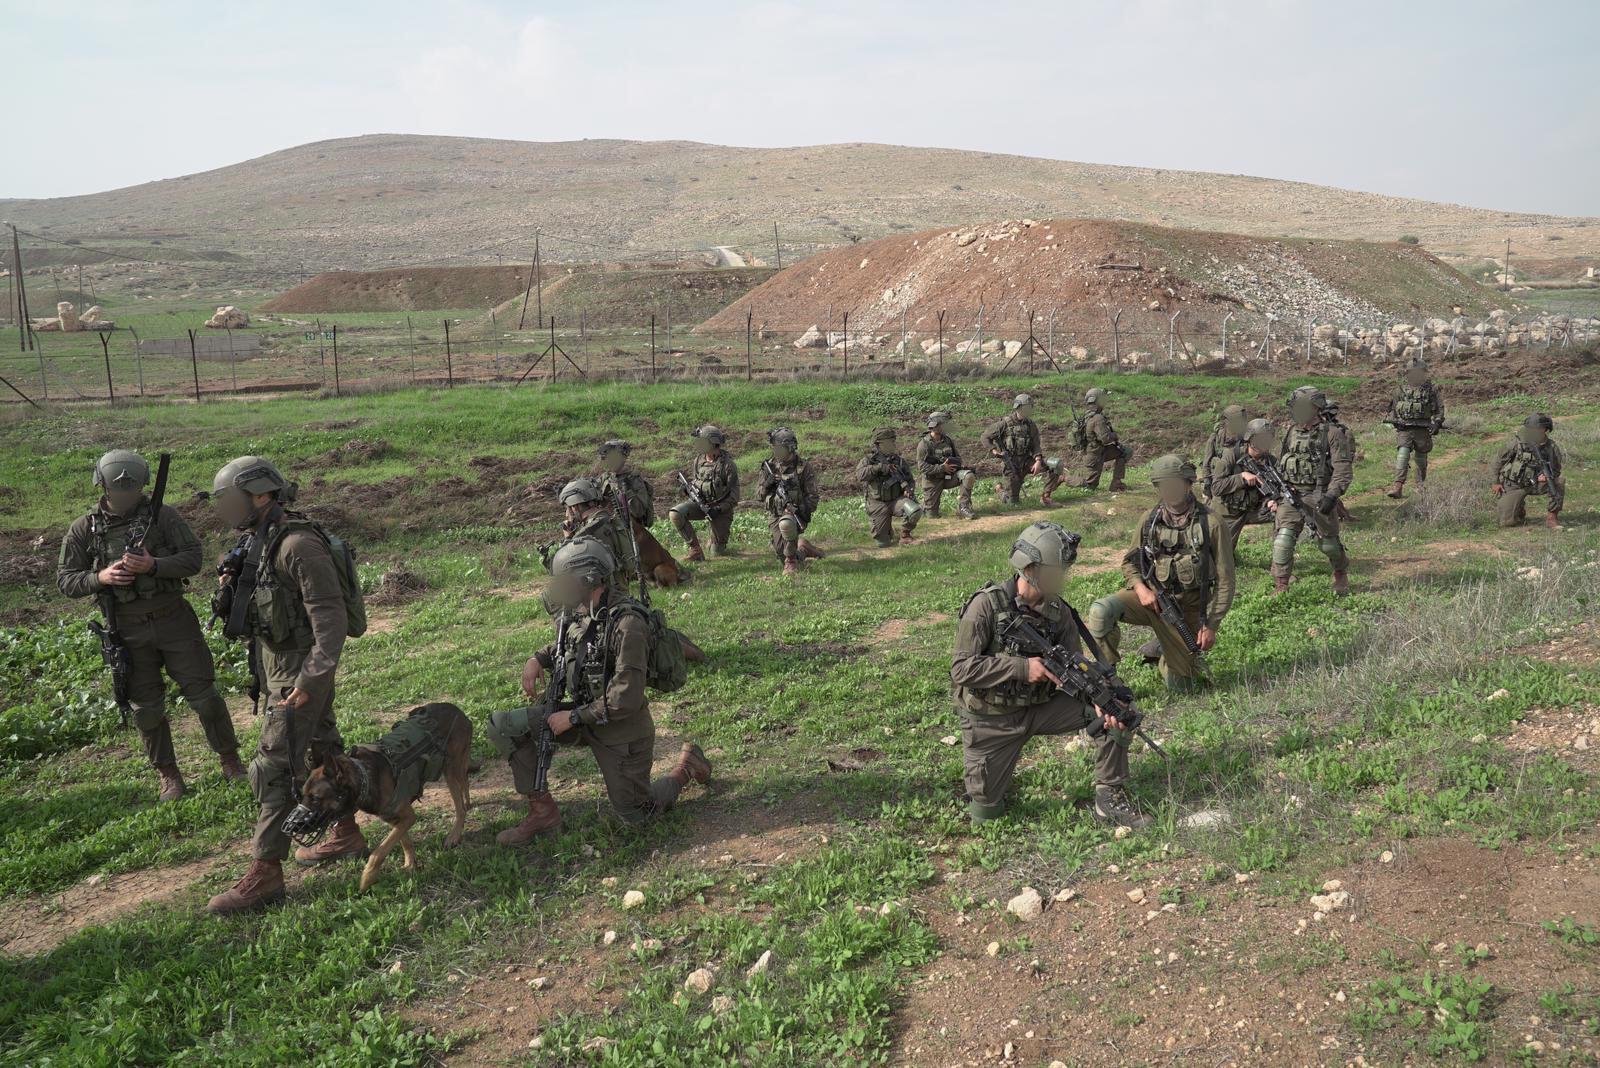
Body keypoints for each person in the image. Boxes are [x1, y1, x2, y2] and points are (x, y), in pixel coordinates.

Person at [207, 457, 360, 915]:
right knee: (323, 749)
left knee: (272, 765)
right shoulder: (260, 540)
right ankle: (347, 832)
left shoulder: (297, 545)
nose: (225, 511)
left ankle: (266, 873)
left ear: (261, 495)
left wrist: (310, 680)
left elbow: (329, 622)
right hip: (279, 664)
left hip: (302, 670)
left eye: (231, 500)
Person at [489, 538, 711, 843]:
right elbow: (572, 643)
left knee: (637, 815)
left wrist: (574, 718)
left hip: (621, 731)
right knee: (503, 725)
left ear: (589, 578)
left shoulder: (629, 624)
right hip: (583, 713)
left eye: (564, 580)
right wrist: (538, 658)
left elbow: (626, 696)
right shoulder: (582, 609)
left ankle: (686, 768)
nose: (558, 587)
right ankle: (543, 814)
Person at [57, 450, 243, 802]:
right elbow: (66, 581)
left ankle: (230, 759)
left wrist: (154, 565)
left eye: (131, 490)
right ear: (103, 485)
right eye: (117, 490)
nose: (125, 497)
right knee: (147, 708)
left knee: (205, 698)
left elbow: (193, 558)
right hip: (125, 629)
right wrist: (101, 576)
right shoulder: (85, 528)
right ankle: (169, 775)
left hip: (173, 619)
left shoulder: (164, 517)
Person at [951, 521, 1149, 828]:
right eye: (1055, 569)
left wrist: (1097, 697)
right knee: (987, 813)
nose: (1061, 577)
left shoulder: (1059, 611)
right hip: (994, 719)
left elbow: (1075, 662)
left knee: (1118, 712)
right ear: (1029, 568)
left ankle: (1108, 798)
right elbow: (962, 668)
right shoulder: (986, 606)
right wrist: (1022, 668)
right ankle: (995, 781)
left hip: (1042, 709)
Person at [1085, 455, 1234, 692]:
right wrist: (1141, 589)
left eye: (1175, 483)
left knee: (1183, 689)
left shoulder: (1211, 523)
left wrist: (1212, 625)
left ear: (1187, 484)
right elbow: (1129, 562)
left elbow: (1226, 581)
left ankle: (1164, 650)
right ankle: (1107, 678)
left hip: (1187, 611)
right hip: (1152, 602)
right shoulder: (1150, 520)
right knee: (1100, 612)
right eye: (1163, 485)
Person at [1271, 386, 1353, 596]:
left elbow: (1343, 469)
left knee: (1329, 546)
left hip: (1319, 495)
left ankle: (1340, 573)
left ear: (1315, 408)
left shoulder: (1333, 434)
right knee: (1283, 540)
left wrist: (1332, 495)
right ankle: (1281, 585)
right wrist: (1276, 494)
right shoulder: (1291, 431)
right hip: (1291, 495)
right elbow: (1282, 463)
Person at [1206, 417, 1279, 561]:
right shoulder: (1231, 455)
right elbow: (1216, 488)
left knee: (1284, 513)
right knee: (1216, 559)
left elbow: (1277, 487)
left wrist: (1273, 501)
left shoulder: (1271, 462)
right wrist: (1241, 478)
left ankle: (1279, 565)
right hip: (1228, 512)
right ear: (1250, 438)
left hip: (1253, 510)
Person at [756, 427, 823, 576]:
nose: (776, 452)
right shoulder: (769, 467)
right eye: (774, 448)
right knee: (782, 552)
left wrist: (797, 510)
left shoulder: (803, 467)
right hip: (775, 514)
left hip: (795, 515)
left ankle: (791, 563)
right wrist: (767, 483)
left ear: (790, 448)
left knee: (787, 526)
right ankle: (804, 550)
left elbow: (813, 497)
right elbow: (759, 495)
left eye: (779, 449)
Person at [550, 477, 637, 589]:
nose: (567, 514)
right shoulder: (609, 519)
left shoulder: (588, 531)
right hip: (620, 588)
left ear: (575, 507)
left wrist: (568, 539)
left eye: (567, 509)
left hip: (601, 595)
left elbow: (565, 567)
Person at [669, 425, 740, 561]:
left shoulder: (728, 465)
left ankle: (715, 542)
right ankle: (695, 550)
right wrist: (688, 491)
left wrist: (718, 509)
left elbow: (734, 496)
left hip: (720, 511)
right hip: (700, 506)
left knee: (717, 553)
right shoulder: (698, 461)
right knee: (675, 513)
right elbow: (698, 482)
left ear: (712, 443)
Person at [981, 393, 1062, 505]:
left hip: (1027, 461)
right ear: (1018, 408)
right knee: (1012, 502)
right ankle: (999, 489)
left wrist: (1038, 461)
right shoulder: (1003, 424)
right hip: (1011, 464)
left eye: (1030, 407)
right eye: (1026, 407)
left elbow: (1036, 445)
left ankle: (1045, 497)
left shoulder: (1031, 425)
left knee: (1055, 464)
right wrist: (994, 450)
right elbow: (985, 437)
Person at [1385, 358, 1445, 499]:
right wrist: (1395, 421)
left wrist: (1437, 423)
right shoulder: (1400, 390)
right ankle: (1398, 486)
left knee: (1420, 459)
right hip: (1405, 429)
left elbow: (1439, 409)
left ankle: (1420, 485)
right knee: (1403, 455)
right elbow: (1392, 409)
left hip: (1423, 429)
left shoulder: (1432, 390)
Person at [1493, 414, 1565, 529]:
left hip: (1536, 483)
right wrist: (1495, 482)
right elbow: (1498, 461)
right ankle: (1519, 510)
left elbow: (1556, 468)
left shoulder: (1551, 447)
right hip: (1514, 484)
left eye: (1538, 429)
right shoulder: (1517, 443)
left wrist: (1547, 476)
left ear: (1545, 430)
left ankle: (1552, 518)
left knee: (1558, 482)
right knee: (1507, 523)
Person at [855, 427, 923, 547]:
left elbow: (910, 480)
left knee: (914, 510)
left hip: (896, 501)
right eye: (890, 441)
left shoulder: (899, 461)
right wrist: (879, 468)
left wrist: (909, 490)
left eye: (893, 441)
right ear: (879, 444)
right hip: (878, 503)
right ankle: (887, 530)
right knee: (882, 543)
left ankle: (905, 535)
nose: (893, 444)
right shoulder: (869, 460)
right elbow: (860, 475)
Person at [915, 411, 977, 519]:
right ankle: (921, 507)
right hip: (932, 481)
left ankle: (964, 507)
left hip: (948, 477)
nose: (943, 426)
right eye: (941, 424)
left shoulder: (947, 440)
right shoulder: (923, 445)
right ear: (934, 426)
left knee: (968, 476)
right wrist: (942, 468)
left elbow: (957, 457)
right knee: (931, 515)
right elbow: (922, 467)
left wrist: (955, 465)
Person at [1067, 388, 1131, 492]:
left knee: (1125, 452)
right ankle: (1063, 478)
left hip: (1100, 451)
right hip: (1094, 455)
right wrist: (1114, 435)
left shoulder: (1087, 416)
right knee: (1090, 486)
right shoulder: (1097, 418)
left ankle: (1116, 483)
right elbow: (1105, 439)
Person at [594, 439, 655, 527]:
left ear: (623, 458)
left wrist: (622, 489)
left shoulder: (634, 480)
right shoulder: (606, 477)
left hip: (631, 529)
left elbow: (638, 512)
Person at [1201, 405, 1252, 503]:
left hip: (1238, 481)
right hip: (1218, 482)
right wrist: (1207, 487)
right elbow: (1206, 464)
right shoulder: (1216, 439)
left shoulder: (1246, 438)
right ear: (1227, 422)